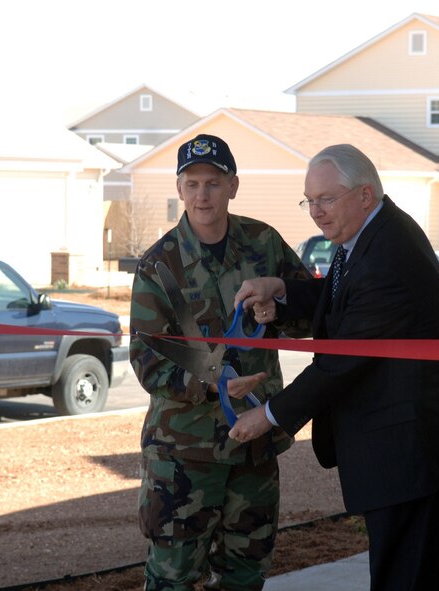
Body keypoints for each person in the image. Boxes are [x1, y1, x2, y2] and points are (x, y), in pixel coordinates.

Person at [229, 144, 439, 590]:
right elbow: (341, 300)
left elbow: (342, 361)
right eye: (309, 201)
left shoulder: (387, 254)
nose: (316, 212)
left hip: (405, 452)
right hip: (404, 450)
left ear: (364, 193)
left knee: (407, 579)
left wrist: (269, 415)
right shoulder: (367, 234)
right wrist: (282, 291)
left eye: (326, 199)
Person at [129, 133, 311, 591]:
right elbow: (147, 360)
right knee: (173, 579)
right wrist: (210, 384)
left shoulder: (264, 244)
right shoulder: (160, 266)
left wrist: (281, 309)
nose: (202, 194)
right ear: (179, 188)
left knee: (245, 576)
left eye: (213, 183)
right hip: (183, 455)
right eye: (192, 184)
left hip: (254, 444)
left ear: (233, 185)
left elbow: (309, 312)